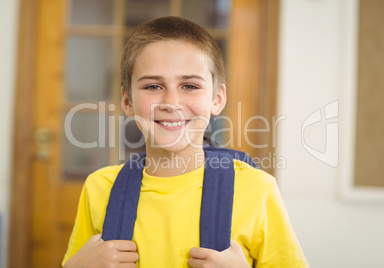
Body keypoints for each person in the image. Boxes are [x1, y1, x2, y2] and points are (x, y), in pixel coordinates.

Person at [62, 16, 309, 268]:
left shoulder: (257, 190)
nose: (171, 102)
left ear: (217, 99)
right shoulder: (99, 188)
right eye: (153, 86)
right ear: (127, 102)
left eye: (189, 85)